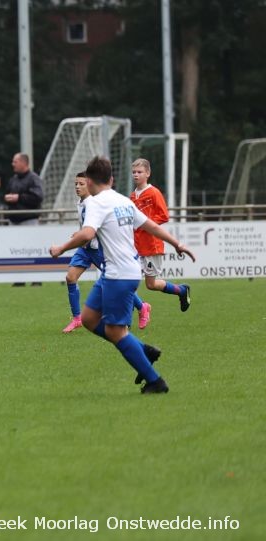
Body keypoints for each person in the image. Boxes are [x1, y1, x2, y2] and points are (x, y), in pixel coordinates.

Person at [49, 156, 196, 394]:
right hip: (118, 271)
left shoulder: (96, 203)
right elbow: (151, 226)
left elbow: (87, 234)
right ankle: (142, 350)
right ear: (111, 179)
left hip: (119, 274)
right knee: (89, 319)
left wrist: (60, 248)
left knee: (115, 331)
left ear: (89, 181)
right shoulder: (123, 200)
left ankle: (155, 381)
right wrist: (177, 243)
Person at [61, 172, 149, 333]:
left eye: (81, 184)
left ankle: (142, 306)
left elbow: (96, 229)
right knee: (70, 278)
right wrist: (81, 233)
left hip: (98, 249)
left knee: (116, 281)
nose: (77, 187)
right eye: (76, 184)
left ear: (89, 185)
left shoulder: (94, 204)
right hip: (85, 249)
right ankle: (77, 318)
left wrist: (81, 235)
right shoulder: (80, 202)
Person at [130, 158, 191, 312]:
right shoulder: (132, 196)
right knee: (128, 280)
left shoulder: (154, 192)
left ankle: (181, 290)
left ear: (148, 173)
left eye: (139, 172)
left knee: (151, 285)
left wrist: (145, 224)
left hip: (151, 245)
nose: (136, 175)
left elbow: (163, 216)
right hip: (135, 246)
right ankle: (130, 315)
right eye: (134, 172)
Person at [4, 153, 44, 225]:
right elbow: (7, 194)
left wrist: (19, 198)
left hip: (29, 221)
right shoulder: (13, 179)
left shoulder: (33, 179)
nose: (12, 164)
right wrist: (7, 198)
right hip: (13, 221)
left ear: (23, 163)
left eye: (15, 162)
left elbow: (38, 197)